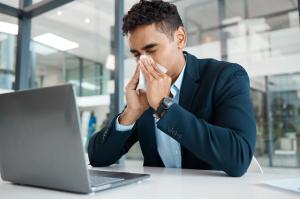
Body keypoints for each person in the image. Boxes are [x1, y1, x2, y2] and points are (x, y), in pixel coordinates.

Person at [88, 0, 256, 177]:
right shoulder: (144, 94)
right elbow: (98, 158)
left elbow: (239, 157)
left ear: (180, 38)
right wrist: (130, 113)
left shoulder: (226, 76)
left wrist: (164, 107)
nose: (144, 62)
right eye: (137, 55)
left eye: (151, 49)